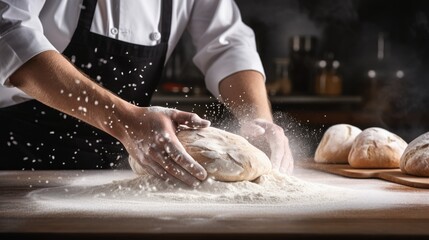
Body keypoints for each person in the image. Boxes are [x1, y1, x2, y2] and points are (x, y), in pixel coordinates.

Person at [0, 0, 293, 186]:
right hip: (16, 165)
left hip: (117, 181)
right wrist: (126, 121)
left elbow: (228, 44)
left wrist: (256, 117)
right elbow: (11, 32)